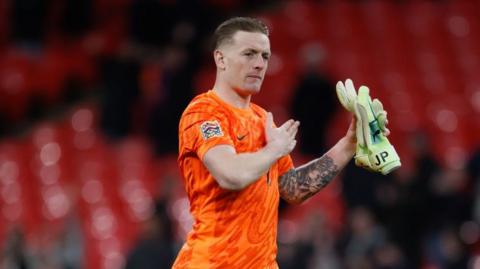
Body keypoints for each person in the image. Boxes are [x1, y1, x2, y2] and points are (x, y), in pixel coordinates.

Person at [174, 17, 357, 268]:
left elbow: (292, 189)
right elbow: (230, 174)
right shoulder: (203, 112)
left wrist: (348, 144)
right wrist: (274, 149)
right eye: (249, 54)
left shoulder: (262, 119)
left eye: (265, 56)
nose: (259, 64)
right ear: (221, 59)